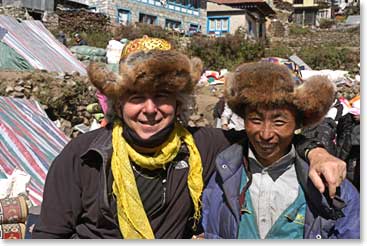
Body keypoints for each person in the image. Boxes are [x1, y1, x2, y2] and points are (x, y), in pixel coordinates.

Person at [32, 37, 347, 239]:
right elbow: (50, 235)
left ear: (180, 101)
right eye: (137, 97)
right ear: (118, 103)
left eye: (162, 96)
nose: (150, 110)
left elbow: (268, 136)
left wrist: (315, 152)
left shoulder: (202, 146)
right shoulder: (84, 156)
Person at [201, 62, 360, 239]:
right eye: (256, 120)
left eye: (279, 122)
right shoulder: (221, 179)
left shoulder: (333, 187)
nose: (266, 134)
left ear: (298, 124)